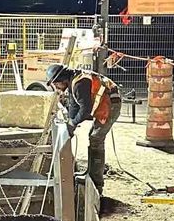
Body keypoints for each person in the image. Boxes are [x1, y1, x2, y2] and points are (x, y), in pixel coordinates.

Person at [46, 63, 121, 194]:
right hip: (106, 103)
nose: (56, 88)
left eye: (56, 84)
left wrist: (72, 124)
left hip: (111, 105)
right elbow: (75, 105)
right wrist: (70, 124)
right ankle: (90, 173)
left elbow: (85, 110)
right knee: (93, 136)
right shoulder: (74, 81)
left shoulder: (80, 84)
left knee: (96, 138)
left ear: (61, 80)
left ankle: (97, 183)